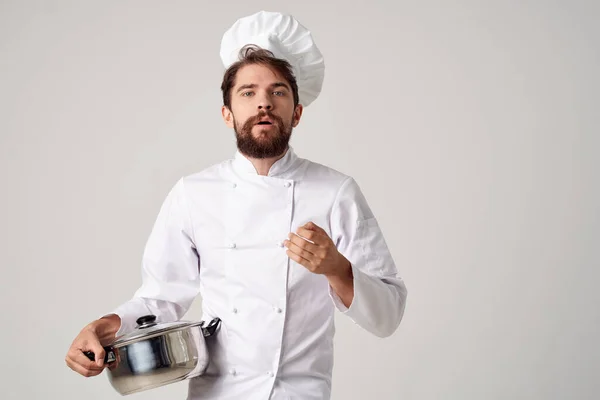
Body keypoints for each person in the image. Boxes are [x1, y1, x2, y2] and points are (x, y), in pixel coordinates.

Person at [65, 10, 408, 400]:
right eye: (248, 93)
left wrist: (336, 269)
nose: (264, 103)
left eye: (278, 92)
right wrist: (102, 327)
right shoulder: (193, 194)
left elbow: (388, 315)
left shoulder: (335, 191)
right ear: (227, 114)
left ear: (296, 112)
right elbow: (160, 299)